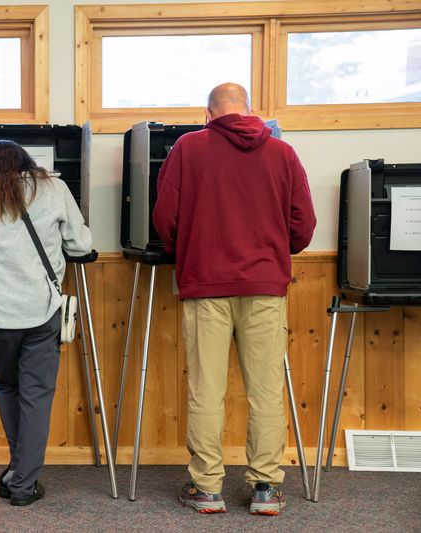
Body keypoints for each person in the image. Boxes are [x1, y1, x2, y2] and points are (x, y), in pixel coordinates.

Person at [153, 83, 316, 516]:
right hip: (265, 287)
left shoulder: (189, 148)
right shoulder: (283, 154)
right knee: (266, 391)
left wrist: (186, 250)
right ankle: (266, 489)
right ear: (251, 111)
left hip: (206, 285)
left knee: (205, 390)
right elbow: (303, 225)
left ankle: (207, 489)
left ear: (208, 114)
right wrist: (274, 253)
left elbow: (164, 218)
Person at [0, 140, 92, 506]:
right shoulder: (55, 188)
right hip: (42, 310)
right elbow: (80, 244)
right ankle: (24, 483)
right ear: (29, 161)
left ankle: (18, 469)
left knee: (7, 387)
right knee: (37, 396)